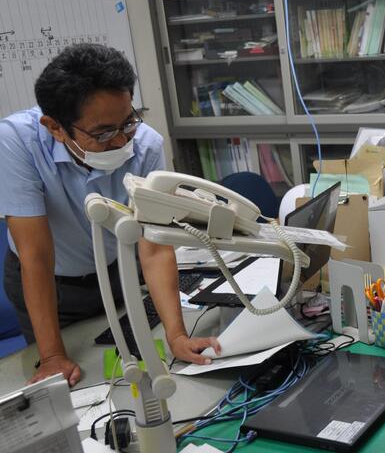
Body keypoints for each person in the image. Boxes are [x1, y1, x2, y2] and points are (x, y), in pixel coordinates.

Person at [0, 44, 220, 387]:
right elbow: (36, 257)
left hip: (117, 270)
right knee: (70, 381)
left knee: (124, 364)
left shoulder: (145, 145)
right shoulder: (16, 142)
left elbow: (154, 247)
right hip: (51, 283)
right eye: (103, 133)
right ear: (55, 127)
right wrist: (53, 356)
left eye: (128, 122)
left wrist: (178, 336)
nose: (121, 142)